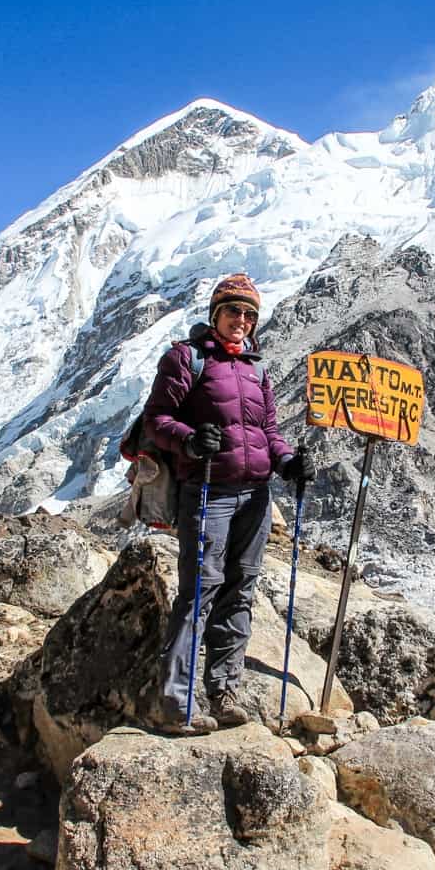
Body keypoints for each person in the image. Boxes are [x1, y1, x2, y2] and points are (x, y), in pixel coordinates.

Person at [142, 272, 316, 734]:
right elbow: (156, 420)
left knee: (241, 590)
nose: (240, 319)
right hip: (206, 492)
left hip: (255, 495)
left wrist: (288, 463)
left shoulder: (258, 369)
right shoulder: (187, 359)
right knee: (200, 590)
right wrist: (190, 439)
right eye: (233, 310)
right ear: (215, 313)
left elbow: (269, 433)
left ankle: (224, 692)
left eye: (248, 314)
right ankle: (176, 702)